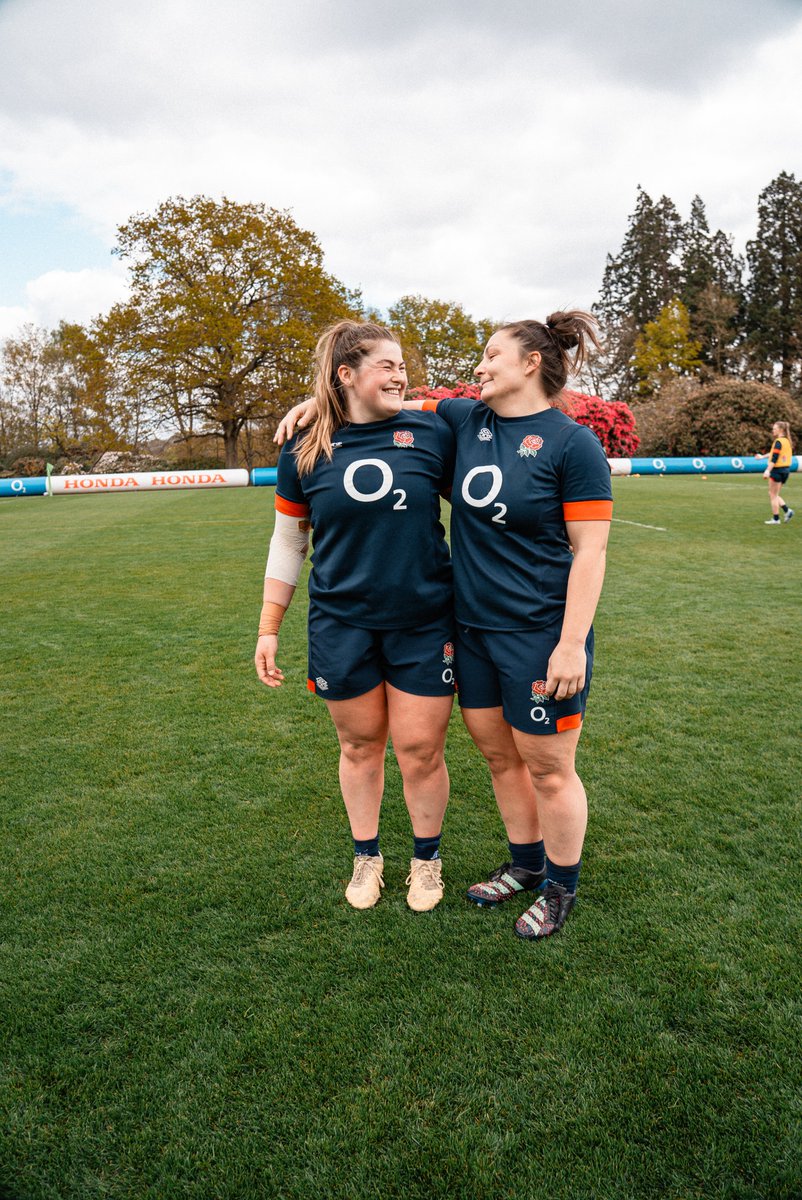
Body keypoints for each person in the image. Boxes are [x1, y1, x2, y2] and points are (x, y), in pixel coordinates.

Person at [277, 311, 613, 941]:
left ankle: (561, 890)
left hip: (540, 633)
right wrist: (316, 398)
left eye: (491, 355)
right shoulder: (466, 420)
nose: (478, 367)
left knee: (549, 767)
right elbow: (378, 396)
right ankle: (526, 865)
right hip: (471, 628)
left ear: (530, 363)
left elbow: (590, 553)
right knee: (498, 757)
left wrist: (571, 645)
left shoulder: (574, 445)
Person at [255, 320, 456, 913]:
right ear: (346, 375)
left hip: (424, 621)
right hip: (342, 624)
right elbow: (288, 542)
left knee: (421, 749)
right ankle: (366, 856)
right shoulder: (305, 448)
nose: (401, 375)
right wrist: (269, 628)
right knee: (360, 745)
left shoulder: (432, 432)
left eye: (402, 366)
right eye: (387, 366)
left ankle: (427, 862)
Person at [755, 421, 794, 525]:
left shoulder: (778, 441)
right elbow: (774, 454)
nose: (773, 430)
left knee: (773, 495)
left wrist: (768, 470)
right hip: (786, 470)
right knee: (774, 494)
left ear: (781, 430)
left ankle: (776, 519)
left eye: (775, 428)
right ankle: (787, 511)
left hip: (777, 470)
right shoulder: (786, 441)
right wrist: (762, 457)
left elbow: (775, 458)